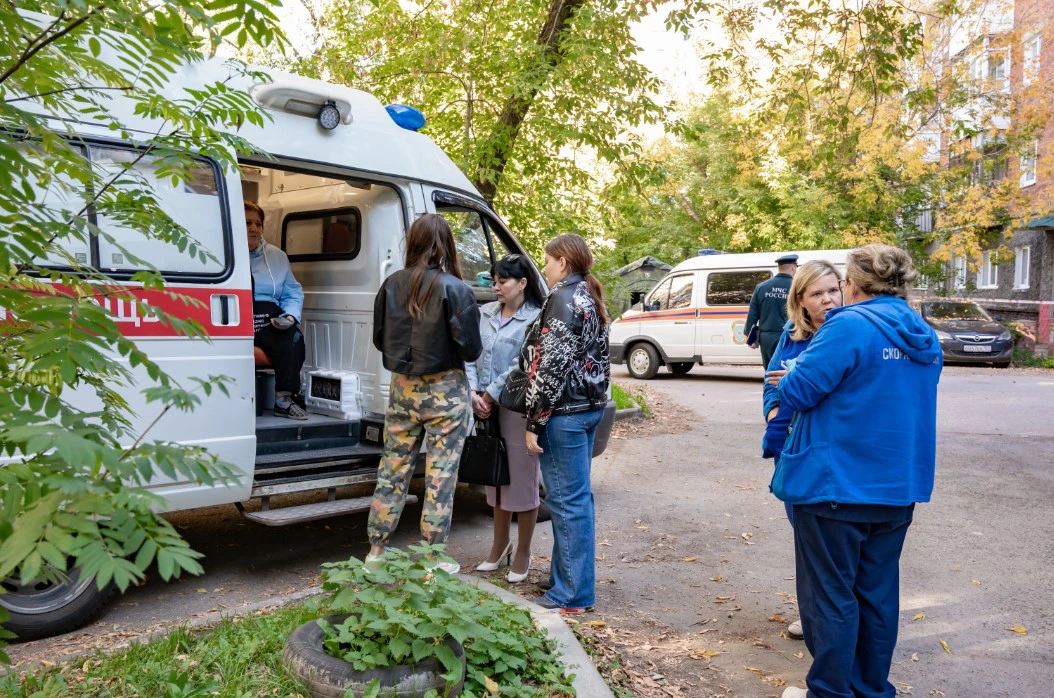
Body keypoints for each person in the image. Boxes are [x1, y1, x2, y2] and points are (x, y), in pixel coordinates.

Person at [772, 245, 942, 698]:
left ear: (855, 284)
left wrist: (788, 375)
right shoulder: (922, 334)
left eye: (844, 280)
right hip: (897, 485)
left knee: (830, 598)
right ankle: (870, 689)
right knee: (877, 596)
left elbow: (799, 390)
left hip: (836, 483)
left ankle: (830, 692)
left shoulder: (848, 325)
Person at [366, 213, 483, 574]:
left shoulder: (390, 285)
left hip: (402, 387)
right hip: (445, 390)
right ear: (445, 243)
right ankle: (432, 560)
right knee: (440, 474)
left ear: (413, 242)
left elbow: (378, 338)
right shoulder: (455, 288)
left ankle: (375, 552)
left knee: (392, 468)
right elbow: (471, 349)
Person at [521, 234, 610, 614]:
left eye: (547, 259)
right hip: (589, 408)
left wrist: (534, 421)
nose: (544, 266)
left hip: (565, 414)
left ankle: (570, 594)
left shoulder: (562, 297)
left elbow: (551, 366)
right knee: (577, 501)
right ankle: (566, 578)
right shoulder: (589, 295)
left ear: (562, 261)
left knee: (568, 502)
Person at [760, 259, 843, 642]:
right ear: (801, 300)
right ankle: (811, 614)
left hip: (828, 448)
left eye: (833, 290)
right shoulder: (793, 335)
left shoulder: (846, 333)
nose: (828, 299)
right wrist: (773, 411)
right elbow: (771, 381)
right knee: (804, 534)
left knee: (829, 539)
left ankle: (830, 620)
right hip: (790, 447)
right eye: (817, 293)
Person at [465, 254, 545, 583]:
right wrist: (473, 392)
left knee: (523, 483)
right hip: (483, 405)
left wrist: (491, 394)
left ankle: (523, 551)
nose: (496, 287)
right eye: (494, 281)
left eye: (503, 281)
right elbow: (470, 354)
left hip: (515, 406)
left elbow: (522, 364)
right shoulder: (484, 314)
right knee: (494, 478)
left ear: (523, 283)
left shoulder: (536, 318)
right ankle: (499, 546)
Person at [246, 201, 307, 420]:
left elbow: (292, 292)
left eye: (257, 224)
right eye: (246, 223)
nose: (253, 228)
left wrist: (289, 316)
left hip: (268, 320)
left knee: (294, 339)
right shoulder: (222, 254)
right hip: (237, 318)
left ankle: (283, 400)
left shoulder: (277, 256)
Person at [745, 253, 799, 368]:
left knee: (769, 372)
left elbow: (753, 315)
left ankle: (769, 386)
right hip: (790, 336)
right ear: (794, 267)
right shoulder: (797, 287)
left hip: (766, 338)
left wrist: (751, 338)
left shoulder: (761, 287)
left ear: (779, 268)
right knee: (787, 371)